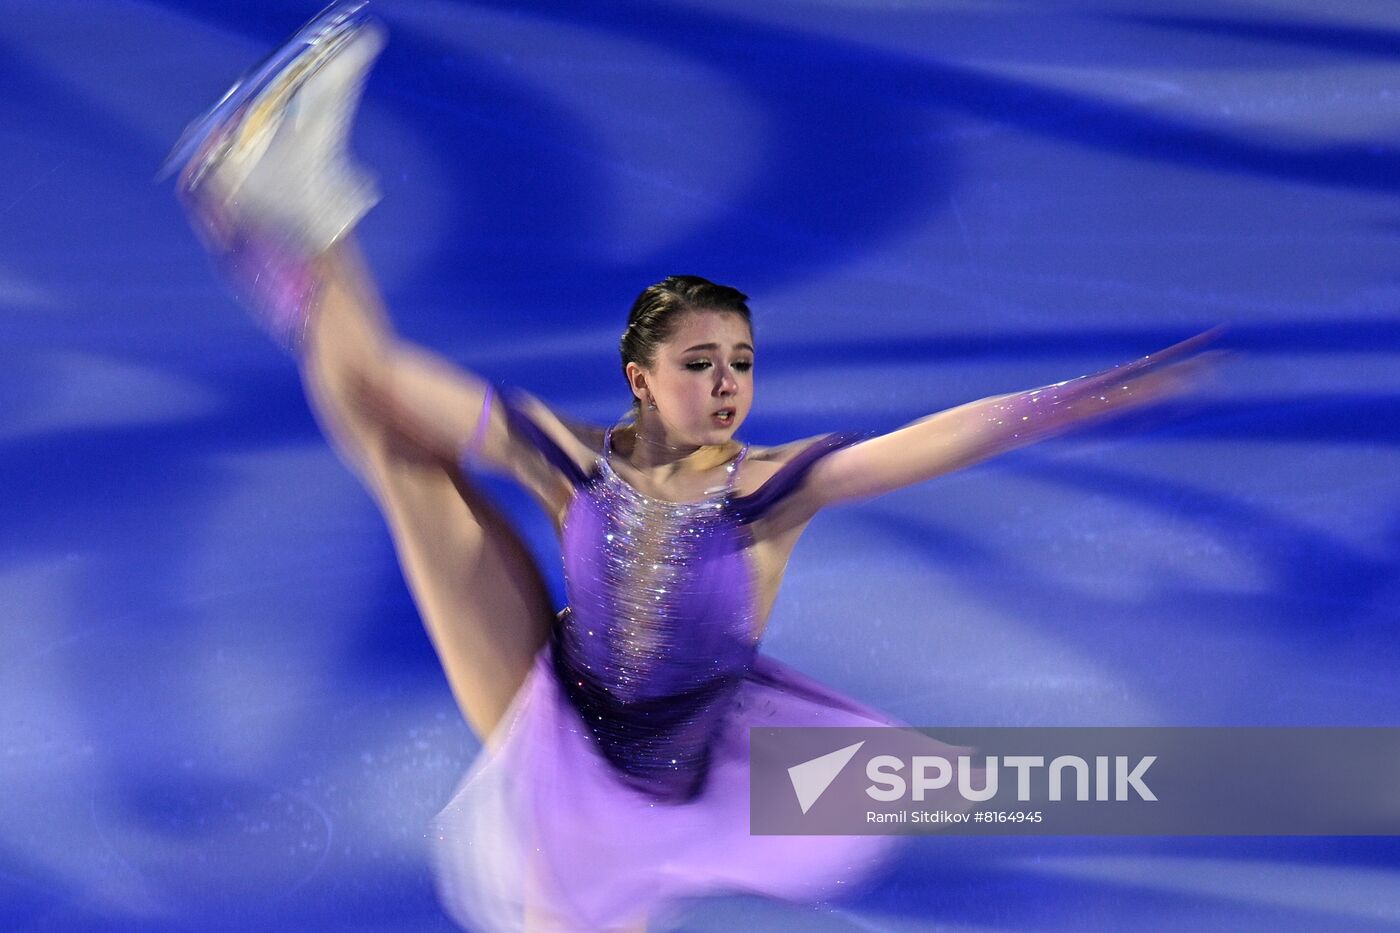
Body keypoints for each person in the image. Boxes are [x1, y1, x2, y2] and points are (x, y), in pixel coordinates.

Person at [163, 4, 1215, 930]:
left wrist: (1065, 403)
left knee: (386, 437)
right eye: (699, 364)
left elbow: (935, 439)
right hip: (558, 725)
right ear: (639, 377)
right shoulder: (569, 460)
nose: (724, 386)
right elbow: (382, 381)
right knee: (395, 446)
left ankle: (274, 198)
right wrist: (287, 255)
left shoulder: (770, 489)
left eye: (740, 365)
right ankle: (283, 197)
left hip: (667, 783)